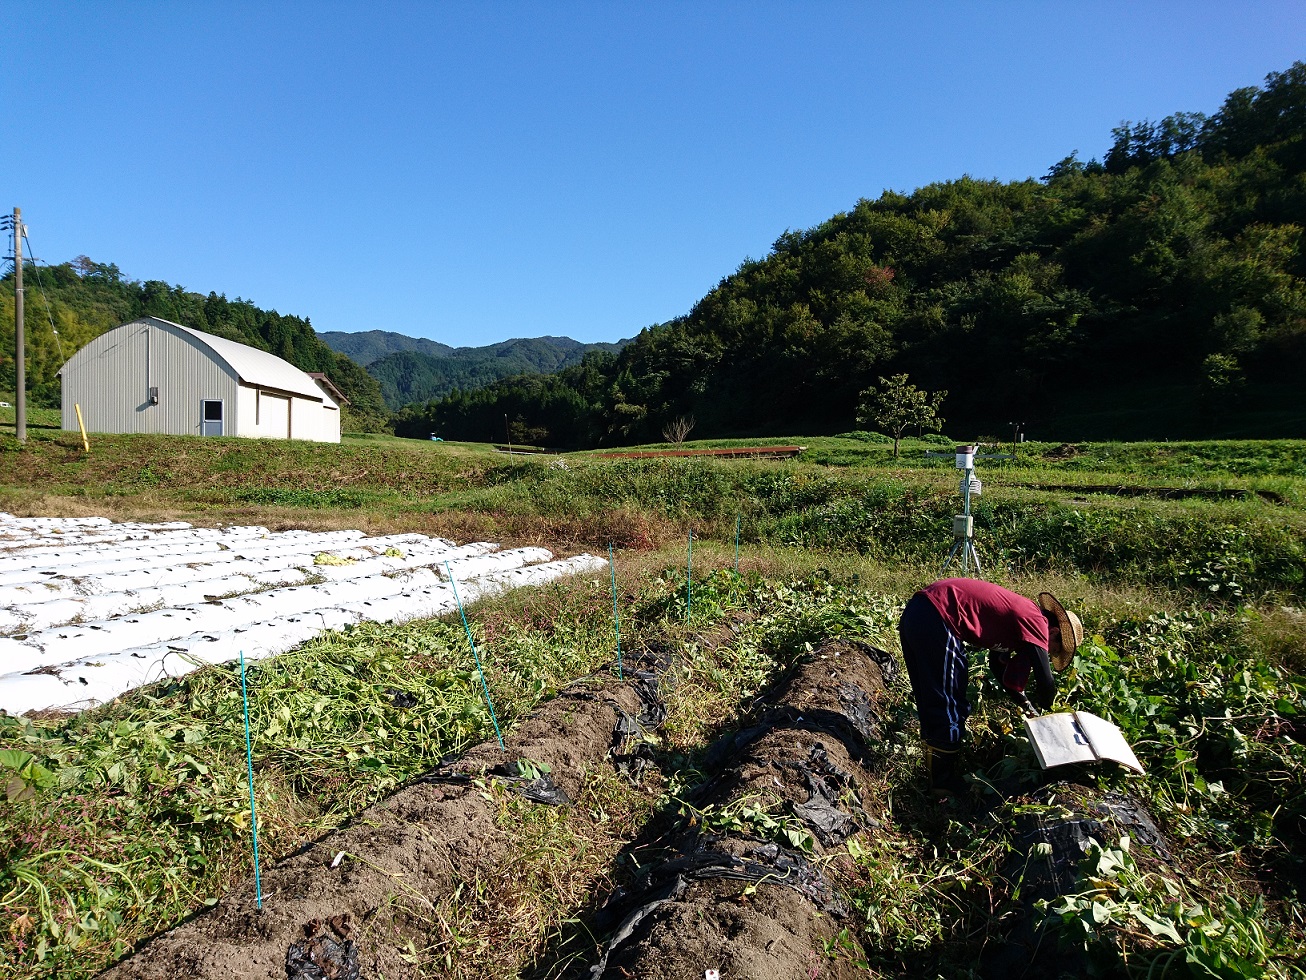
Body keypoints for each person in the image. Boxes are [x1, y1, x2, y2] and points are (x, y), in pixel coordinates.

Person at [897, 578, 1083, 795]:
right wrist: (1051, 716)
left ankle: (932, 779)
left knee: (933, 698)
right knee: (950, 705)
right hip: (938, 615)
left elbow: (998, 667)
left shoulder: (1016, 622)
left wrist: (1025, 705)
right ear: (1053, 633)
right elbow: (1046, 681)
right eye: (1053, 649)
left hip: (920, 611)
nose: (1048, 653)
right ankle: (942, 784)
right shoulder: (1036, 621)